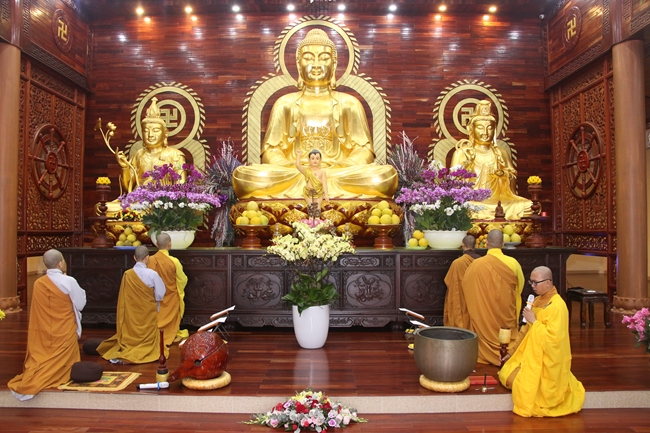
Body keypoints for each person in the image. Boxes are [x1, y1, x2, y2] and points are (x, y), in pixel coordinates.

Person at [232, 29, 398, 200]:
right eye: (309, 58)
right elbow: (271, 151)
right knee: (245, 176)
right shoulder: (284, 103)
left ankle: (311, 190)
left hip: (337, 172)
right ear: (299, 64)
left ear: (334, 64)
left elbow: (363, 151)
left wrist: (341, 165)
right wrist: (289, 165)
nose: (317, 64)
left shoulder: (350, 103)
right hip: (296, 172)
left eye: (324, 58)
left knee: (384, 176)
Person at [499, 266, 585, 417]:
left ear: (548, 282)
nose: (532, 286)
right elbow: (525, 330)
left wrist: (534, 321)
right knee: (506, 375)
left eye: (535, 283)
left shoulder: (557, 306)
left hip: (548, 360)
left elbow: (554, 340)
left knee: (520, 385)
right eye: (531, 282)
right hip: (532, 355)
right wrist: (511, 352)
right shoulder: (537, 300)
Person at [8, 249, 86, 401]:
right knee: (63, 364)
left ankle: (41, 372)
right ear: (60, 263)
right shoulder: (68, 281)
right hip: (64, 330)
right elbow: (80, 304)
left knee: (43, 356)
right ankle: (56, 373)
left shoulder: (39, 283)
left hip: (44, 332)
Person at [451, 100, 532, 220]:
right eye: (480, 128)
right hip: (473, 200)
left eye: (489, 128)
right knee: (464, 207)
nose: (485, 133)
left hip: (499, 200)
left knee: (527, 206)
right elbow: (453, 184)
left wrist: (503, 175)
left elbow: (512, 175)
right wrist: (466, 168)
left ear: (494, 130)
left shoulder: (501, 152)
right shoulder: (462, 153)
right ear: (471, 129)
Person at [461, 229, 524, 365]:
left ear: (486, 243)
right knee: (507, 335)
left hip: (483, 318)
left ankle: (486, 352)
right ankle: (507, 352)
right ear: (503, 243)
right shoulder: (513, 263)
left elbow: (466, 287)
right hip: (506, 313)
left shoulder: (476, 265)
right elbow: (520, 287)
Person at [96, 245, 167, 364]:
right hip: (147, 311)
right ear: (147, 258)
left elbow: (124, 297)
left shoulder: (127, 274)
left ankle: (130, 345)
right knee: (149, 330)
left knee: (131, 330)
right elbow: (160, 293)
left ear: (134, 258)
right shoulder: (152, 274)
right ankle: (144, 348)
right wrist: (153, 299)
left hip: (132, 312)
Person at [116, 96, 186, 194]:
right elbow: (127, 187)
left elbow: (181, 184)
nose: (150, 135)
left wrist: (165, 197)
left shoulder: (176, 156)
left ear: (165, 133)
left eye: (156, 130)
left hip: (165, 199)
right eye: (146, 131)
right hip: (139, 199)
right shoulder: (138, 155)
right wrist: (124, 168)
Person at [148, 233, 188, 346]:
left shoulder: (150, 260)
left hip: (155, 297)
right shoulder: (174, 261)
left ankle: (155, 331)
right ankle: (170, 332)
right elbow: (182, 279)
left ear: (156, 244)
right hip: (171, 296)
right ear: (169, 244)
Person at [443, 234, 480, 329]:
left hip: (461, 298)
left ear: (462, 244)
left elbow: (448, 281)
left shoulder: (457, 263)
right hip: (478, 299)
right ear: (475, 245)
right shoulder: (481, 262)